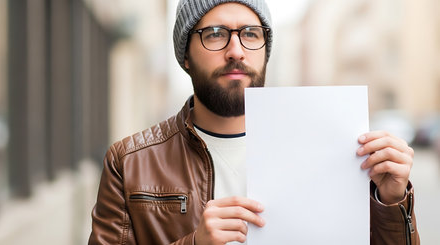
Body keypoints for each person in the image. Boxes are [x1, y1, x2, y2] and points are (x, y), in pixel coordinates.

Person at [89, 0, 420, 244]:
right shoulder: (130, 161)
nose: (236, 50)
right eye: (216, 34)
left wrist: (391, 201)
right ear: (185, 55)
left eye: (250, 33)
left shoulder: (339, 151)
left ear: (265, 49)